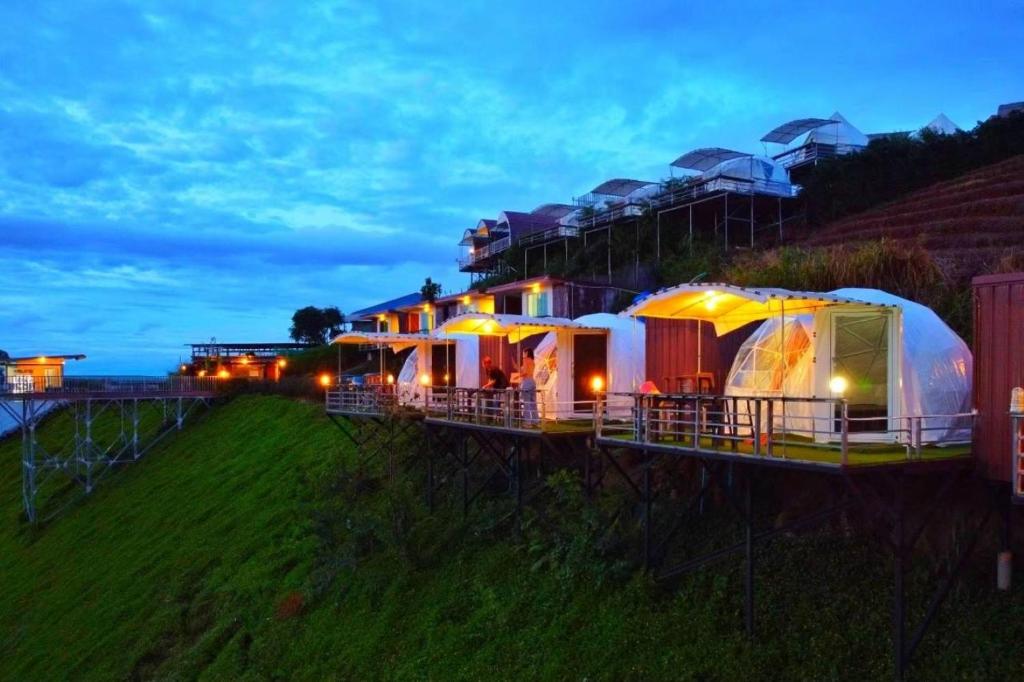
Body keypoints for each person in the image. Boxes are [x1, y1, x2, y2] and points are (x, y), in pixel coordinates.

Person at [481, 356, 509, 421]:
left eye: (484, 364)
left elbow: (494, 381)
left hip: (502, 386)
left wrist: (485, 386)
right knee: (495, 400)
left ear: (487, 363)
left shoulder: (494, 369)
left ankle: (498, 416)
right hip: (497, 387)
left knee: (498, 401)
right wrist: (487, 387)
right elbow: (490, 379)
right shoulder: (487, 370)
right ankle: (494, 416)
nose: (483, 365)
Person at [519, 348, 538, 426]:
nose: (522, 354)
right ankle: (535, 421)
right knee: (533, 403)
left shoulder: (525, 359)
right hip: (532, 381)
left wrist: (519, 375)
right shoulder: (532, 361)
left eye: (523, 352)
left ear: (526, 353)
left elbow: (525, 372)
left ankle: (527, 422)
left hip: (526, 382)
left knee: (526, 403)